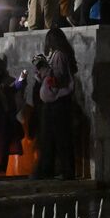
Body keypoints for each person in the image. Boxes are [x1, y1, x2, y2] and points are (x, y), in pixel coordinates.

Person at [32, 28, 77, 179]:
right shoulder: (58, 55)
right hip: (54, 103)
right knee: (50, 138)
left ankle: (66, 171)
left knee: (60, 138)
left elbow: (55, 79)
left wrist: (43, 69)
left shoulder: (59, 56)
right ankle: (50, 170)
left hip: (57, 103)